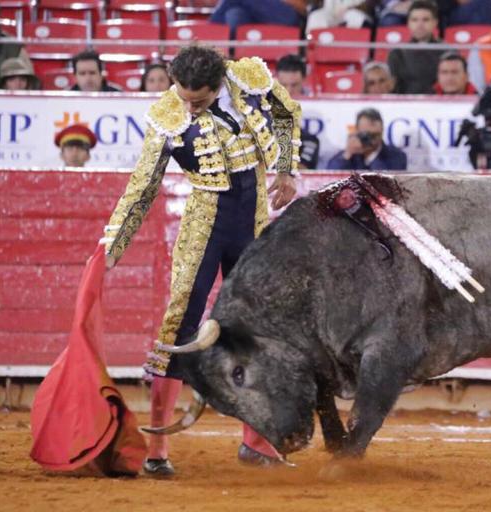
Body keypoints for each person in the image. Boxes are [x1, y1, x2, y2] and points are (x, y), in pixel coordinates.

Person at [100, 46, 301, 476]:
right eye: (184, 97)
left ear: (218, 85)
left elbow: (285, 110)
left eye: (200, 101)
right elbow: (143, 186)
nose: (189, 108)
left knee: (258, 327)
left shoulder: (246, 77)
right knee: (180, 325)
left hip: (254, 215)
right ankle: (157, 451)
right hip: (206, 219)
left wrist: (286, 168)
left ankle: (257, 443)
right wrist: (112, 245)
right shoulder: (167, 114)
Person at [388, 0, 448, 94]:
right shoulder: (397, 53)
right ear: (408, 23)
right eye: (414, 20)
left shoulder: (447, 51)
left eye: (425, 20)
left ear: (435, 22)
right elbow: (394, 89)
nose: (420, 25)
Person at [275, 54, 320, 168]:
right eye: (283, 85)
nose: (288, 91)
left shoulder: (318, 103)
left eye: (294, 85)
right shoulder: (263, 103)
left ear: (304, 79)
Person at [326, 107, 407, 170]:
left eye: (374, 135)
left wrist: (370, 157)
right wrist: (348, 154)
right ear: (357, 131)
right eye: (366, 135)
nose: (370, 140)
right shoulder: (350, 155)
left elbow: (385, 181)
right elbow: (331, 175)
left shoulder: (397, 156)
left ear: (382, 130)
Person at [210, 0, 307, 36]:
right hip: (256, 11)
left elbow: (304, 7)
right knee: (234, 13)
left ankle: (211, 28)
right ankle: (234, 55)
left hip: (289, 13)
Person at [305, 0, 374, 32]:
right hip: (332, 12)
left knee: (354, 17)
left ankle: (351, 52)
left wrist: (350, 8)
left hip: (357, 12)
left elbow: (368, 5)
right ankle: (317, 49)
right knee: (315, 16)